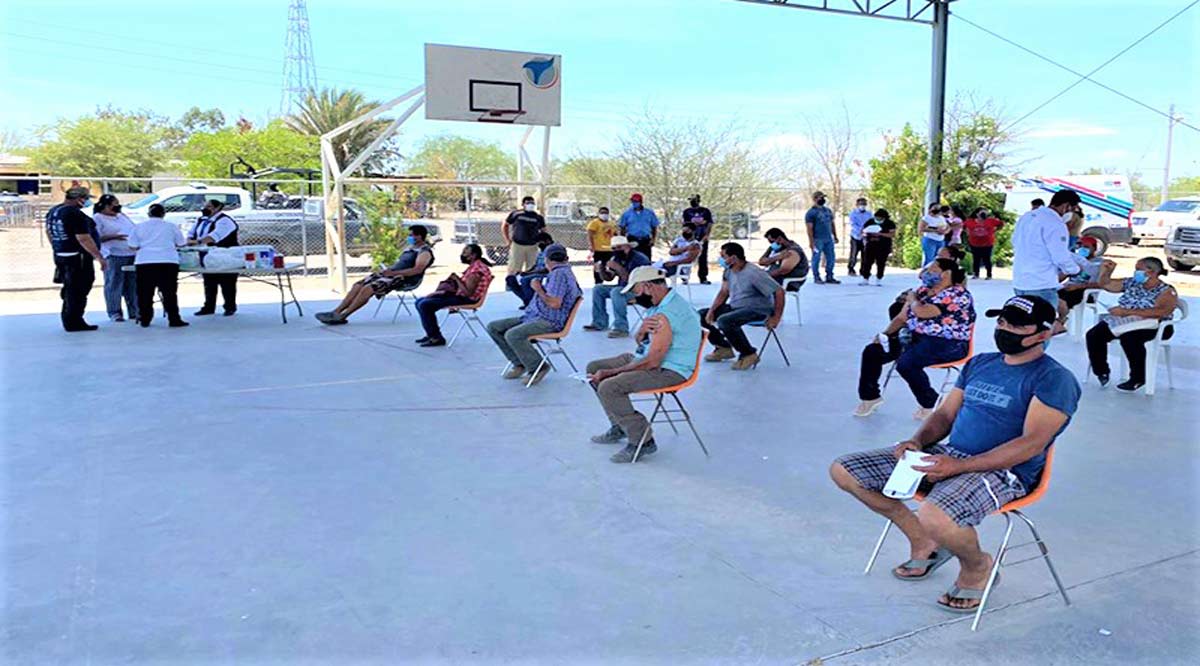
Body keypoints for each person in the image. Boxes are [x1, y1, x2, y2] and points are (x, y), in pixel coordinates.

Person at [831, 295, 1080, 613]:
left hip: (1005, 472)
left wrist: (959, 466)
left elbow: (1032, 443)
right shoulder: (980, 363)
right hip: (949, 455)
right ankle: (925, 542)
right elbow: (945, 415)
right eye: (1002, 321)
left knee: (936, 514)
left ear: (1044, 333)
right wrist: (917, 442)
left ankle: (978, 566)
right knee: (846, 471)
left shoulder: (1053, 379)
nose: (1005, 329)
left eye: (1017, 325)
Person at [587, 265, 703, 463]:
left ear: (648, 286)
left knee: (609, 386)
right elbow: (646, 347)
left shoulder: (667, 313)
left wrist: (613, 372)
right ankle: (619, 426)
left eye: (635, 290)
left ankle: (642, 440)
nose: (634, 296)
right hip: (654, 360)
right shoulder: (661, 304)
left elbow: (653, 362)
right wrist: (640, 334)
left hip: (670, 370)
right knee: (594, 368)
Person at [854, 259, 975, 420]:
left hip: (948, 343)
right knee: (872, 351)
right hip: (915, 337)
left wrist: (912, 300)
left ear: (946, 274)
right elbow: (902, 317)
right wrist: (885, 334)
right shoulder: (923, 291)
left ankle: (929, 401)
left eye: (932, 270)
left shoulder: (958, 294)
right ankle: (870, 397)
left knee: (906, 363)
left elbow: (923, 312)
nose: (927, 274)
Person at [486, 244, 582, 385]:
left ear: (547, 259)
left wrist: (538, 289)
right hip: (534, 317)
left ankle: (538, 367)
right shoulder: (560, 271)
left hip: (548, 321)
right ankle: (520, 363)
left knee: (513, 334)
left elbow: (555, 303)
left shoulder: (559, 274)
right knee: (494, 327)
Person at [1085, 257, 1179, 392]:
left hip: (1154, 324)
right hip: (1125, 319)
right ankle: (1101, 371)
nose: (1136, 273)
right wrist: (1106, 272)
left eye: (1139, 270)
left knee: (1130, 339)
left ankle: (1138, 378)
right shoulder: (1132, 282)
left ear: (1151, 272)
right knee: (1094, 334)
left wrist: (1126, 311)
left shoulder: (1166, 291)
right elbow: (1106, 284)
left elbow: (1163, 311)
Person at [316, 225, 435, 324]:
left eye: (411, 235)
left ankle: (344, 315)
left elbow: (417, 270)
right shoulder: (410, 248)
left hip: (403, 278)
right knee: (359, 285)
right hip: (391, 274)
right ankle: (336, 312)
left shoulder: (424, 252)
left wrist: (393, 273)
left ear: (419, 236)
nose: (409, 237)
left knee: (369, 288)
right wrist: (386, 271)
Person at [699, 242, 785, 370]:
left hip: (758, 309)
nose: (721, 259)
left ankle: (748, 353)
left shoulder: (753, 273)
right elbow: (724, 292)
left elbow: (779, 292)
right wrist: (712, 310)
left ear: (733, 258)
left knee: (725, 321)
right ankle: (723, 347)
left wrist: (776, 318)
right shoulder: (728, 271)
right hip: (737, 306)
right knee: (701, 315)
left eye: (723, 256)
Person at [46, 186, 105, 332]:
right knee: (79, 289)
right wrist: (98, 256)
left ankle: (70, 315)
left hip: (61, 254)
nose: (85, 202)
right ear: (79, 199)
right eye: (85, 199)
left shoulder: (55, 210)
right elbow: (83, 238)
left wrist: (57, 247)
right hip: (77, 257)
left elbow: (49, 232)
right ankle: (74, 321)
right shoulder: (74, 214)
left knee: (71, 288)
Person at [1011, 189, 1081, 310]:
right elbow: (1060, 256)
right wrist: (1074, 269)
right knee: (1044, 326)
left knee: (1024, 325)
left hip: (1020, 281)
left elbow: (1014, 241)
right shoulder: (1055, 223)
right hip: (1041, 284)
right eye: (1073, 209)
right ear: (1066, 206)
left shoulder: (1027, 216)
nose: (1072, 214)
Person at [414, 243, 494, 347]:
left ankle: (436, 337)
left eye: (465, 252)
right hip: (459, 296)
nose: (463, 254)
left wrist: (456, 279)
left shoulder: (477, 270)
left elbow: (468, 293)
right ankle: (431, 334)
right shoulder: (474, 266)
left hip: (467, 299)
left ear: (473, 255)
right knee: (420, 301)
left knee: (425, 305)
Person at [127, 204, 187, 328]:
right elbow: (181, 243)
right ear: (163, 214)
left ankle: (145, 319)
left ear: (149, 214)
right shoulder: (171, 226)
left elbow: (132, 245)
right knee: (169, 293)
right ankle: (174, 319)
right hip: (168, 261)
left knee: (144, 293)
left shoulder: (139, 227)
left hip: (145, 261)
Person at [584, 236, 650, 338]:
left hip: (639, 290)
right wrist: (601, 269)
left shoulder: (639, 259)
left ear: (627, 246)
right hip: (623, 288)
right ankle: (599, 322)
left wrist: (618, 267)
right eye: (614, 248)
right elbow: (609, 278)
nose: (616, 251)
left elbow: (633, 281)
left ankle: (621, 328)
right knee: (598, 288)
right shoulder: (617, 258)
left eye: (619, 247)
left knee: (616, 291)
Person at [188, 199, 240, 316]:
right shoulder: (201, 220)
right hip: (207, 255)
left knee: (227, 282)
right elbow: (191, 233)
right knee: (209, 282)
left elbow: (214, 237)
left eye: (209, 207)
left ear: (217, 208)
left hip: (225, 256)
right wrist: (189, 240)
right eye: (205, 206)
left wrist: (197, 242)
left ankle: (229, 307)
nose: (205, 209)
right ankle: (209, 307)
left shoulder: (225, 221)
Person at [93, 194, 139, 322]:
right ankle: (115, 312)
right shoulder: (98, 218)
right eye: (114, 206)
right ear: (105, 206)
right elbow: (96, 238)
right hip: (113, 254)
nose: (117, 208)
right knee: (114, 283)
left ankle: (134, 311)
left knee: (132, 284)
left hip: (130, 253)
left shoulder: (122, 216)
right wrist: (114, 237)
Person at [1054, 237, 1113, 331]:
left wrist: (1078, 286)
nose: (1081, 248)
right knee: (1048, 296)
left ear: (1094, 248)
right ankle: (1056, 321)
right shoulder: (1075, 260)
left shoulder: (1101, 263)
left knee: (1063, 300)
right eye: (1079, 245)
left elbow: (1102, 284)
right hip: (1069, 287)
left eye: (1086, 246)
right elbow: (1060, 278)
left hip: (1086, 291)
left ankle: (1060, 321)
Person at [505, 232, 554, 307]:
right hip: (536, 273)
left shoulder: (552, 250)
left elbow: (547, 269)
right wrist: (527, 272)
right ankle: (528, 301)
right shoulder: (541, 251)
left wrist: (530, 273)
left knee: (525, 280)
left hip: (545, 273)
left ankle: (530, 302)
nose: (538, 245)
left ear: (547, 241)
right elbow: (535, 265)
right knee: (510, 279)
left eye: (540, 243)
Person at [502, 196, 546, 276]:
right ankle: (511, 286)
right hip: (518, 245)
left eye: (532, 203)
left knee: (532, 269)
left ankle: (528, 285)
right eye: (528, 203)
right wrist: (508, 240)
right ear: (523, 204)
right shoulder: (516, 214)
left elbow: (543, 230)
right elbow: (505, 225)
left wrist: (542, 242)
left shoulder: (538, 217)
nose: (531, 205)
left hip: (532, 246)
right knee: (514, 268)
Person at [806, 190, 839, 284]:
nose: (823, 199)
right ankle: (816, 276)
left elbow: (832, 223)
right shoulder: (811, 213)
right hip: (817, 239)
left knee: (831, 257)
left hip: (828, 238)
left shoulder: (827, 211)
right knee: (816, 257)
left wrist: (835, 235)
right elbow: (809, 228)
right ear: (815, 199)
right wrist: (811, 241)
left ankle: (829, 276)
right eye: (821, 197)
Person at [963, 208, 1004, 280]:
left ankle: (989, 274)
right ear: (977, 214)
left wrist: (996, 230)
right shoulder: (970, 221)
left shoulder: (991, 221)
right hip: (974, 243)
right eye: (982, 213)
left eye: (985, 213)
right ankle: (976, 274)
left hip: (987, 243)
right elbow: (964, 226)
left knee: (987, 259)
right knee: (976, 259)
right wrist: (968, 233)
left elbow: (1001, 224)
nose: (983, 215)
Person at [682, 194, 714, 283]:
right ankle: (685, 277)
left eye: (694, 200)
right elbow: (685, 224)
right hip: (690, 237)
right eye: (691, 200)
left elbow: (709, 223)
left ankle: (703, 277)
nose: (692, 202)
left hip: (702, 236)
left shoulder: (705, 211)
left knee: (703, 257)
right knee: (686, 256)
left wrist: (707, 235)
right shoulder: (687, 212)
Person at [860, 208, 897, 286]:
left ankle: (879, 278)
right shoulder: (870, 222)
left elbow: (892, 234)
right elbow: (863, 231)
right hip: (870, 244)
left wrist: (880, 234)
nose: (877, 219)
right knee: (867, 262)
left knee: (881, 262)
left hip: (883, 246)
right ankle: (865, 278)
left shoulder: (889, 223)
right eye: (876, 217)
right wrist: (866, 234)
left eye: (880, 218)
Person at [619, 193, 660, 260]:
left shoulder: (649, 213)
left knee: (646, 259)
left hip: (645, 240)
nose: (634, 203)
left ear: (641, 202)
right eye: (633, 201)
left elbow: (654, 227)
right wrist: (624, 241)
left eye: (636, 201)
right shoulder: (627, 213)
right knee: (632, 259)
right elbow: (622, 228)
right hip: (632, 239)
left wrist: (653, 239)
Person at [585, 206, 618, 284]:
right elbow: (590, 234)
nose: (604, 214)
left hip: (609, 249)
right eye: (602, 213)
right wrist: (591, 246)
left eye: (606, 213)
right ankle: (598, 281)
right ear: (599, 214)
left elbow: (615, 234)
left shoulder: (611, 223)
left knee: (611, 265)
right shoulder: (595, 223)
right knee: (598, 266)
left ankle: (609, 277)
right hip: (598, 248)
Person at [847, 197, 872, 277]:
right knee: (853, 254)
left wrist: (867, 231)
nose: (863, 206)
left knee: (865, 254)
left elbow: (871, 223)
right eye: (861, 204)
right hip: (856, 236)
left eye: (864, 204)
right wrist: (860, 231)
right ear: (857, 205)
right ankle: (851, 269)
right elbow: (853, 224)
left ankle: (863, 270)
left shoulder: (869, 214)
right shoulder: (853, 214)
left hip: (866, 237)